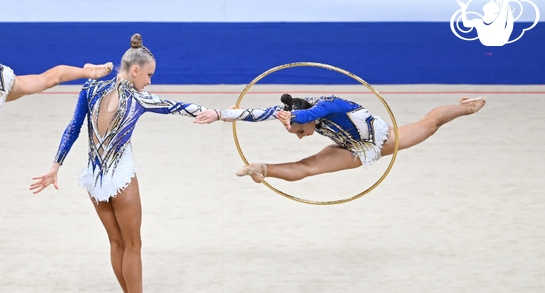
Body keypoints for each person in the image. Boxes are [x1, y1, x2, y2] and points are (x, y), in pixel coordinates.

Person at [29, 34, 222, 293]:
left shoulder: (91, 87)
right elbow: (176, 106)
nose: (150, 82)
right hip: (120, 177)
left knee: (116, 242)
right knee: (133, 243)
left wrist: (55, 167)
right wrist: (212, 113)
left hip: (94, 180)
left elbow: (73, 127)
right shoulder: (138, 97)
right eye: (149, 75)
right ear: (135, 70)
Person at [198, 93, 484, 182]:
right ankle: (262, 169)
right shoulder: (295, 111)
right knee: (308, 166)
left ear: (306, 120)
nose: (300, 136)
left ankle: (464, 106)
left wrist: (296, 121)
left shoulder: (325, 106)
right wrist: (221, 113)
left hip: (377, 139)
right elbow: (258, 113)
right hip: (351, 147)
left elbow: (315, 115)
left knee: (430, 124)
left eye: (300, 132)